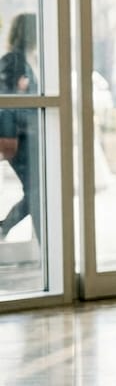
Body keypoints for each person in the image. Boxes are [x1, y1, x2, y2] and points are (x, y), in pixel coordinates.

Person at [0, 13, 40, 243]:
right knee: (36, 191)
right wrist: (7, 137)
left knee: (36, 191)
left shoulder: (27, 59)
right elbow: (5, 103)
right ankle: (48, 251)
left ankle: (5, 227)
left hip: (29, 136)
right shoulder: (12, 60)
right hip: (18, 137)